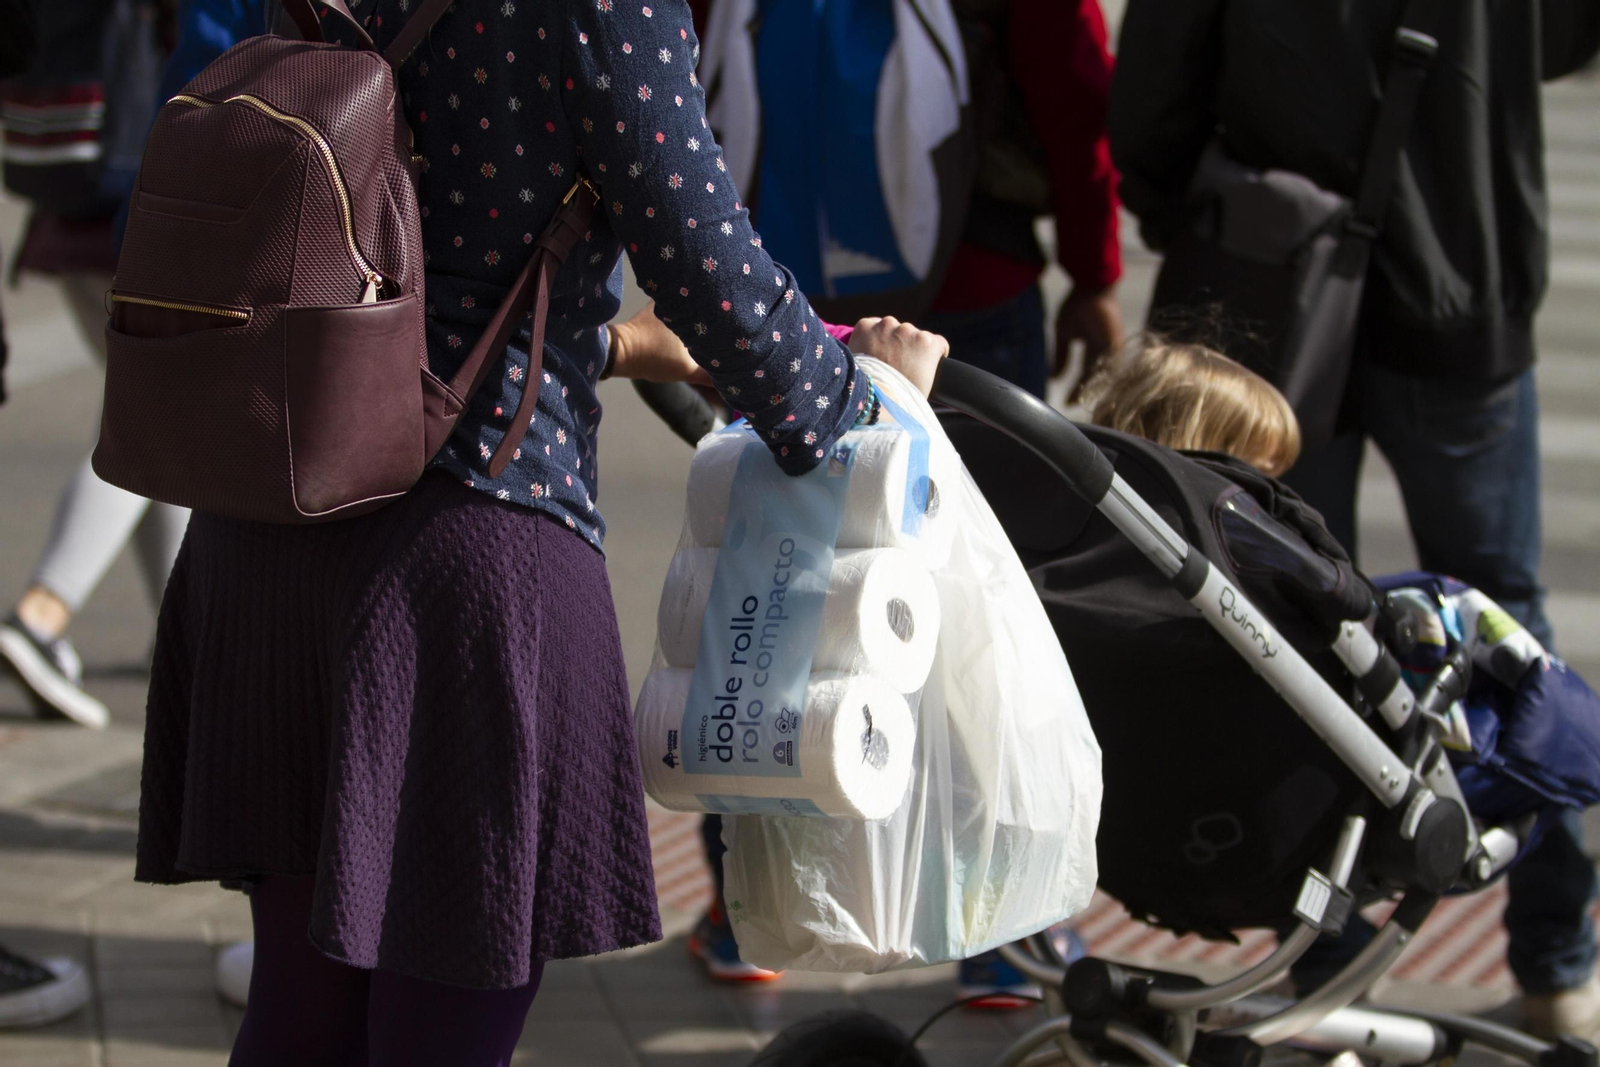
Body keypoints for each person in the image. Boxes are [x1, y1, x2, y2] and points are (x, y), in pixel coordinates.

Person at [129, 3, 950, 1064]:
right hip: (467, 557)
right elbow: (704, 257)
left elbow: (388, 228)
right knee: (443, 1029)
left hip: (269, 523)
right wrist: (866, 395)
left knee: (299, 1011)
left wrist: (603, 342)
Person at [1110, 0, 1600, 1038]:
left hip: (1278, 281)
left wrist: (1182, 210)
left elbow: (1156, 80)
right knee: (1506, 627)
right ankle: (1558, 960)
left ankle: (1323, 963)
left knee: (1284, 627)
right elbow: (1561, 38)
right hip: (1467, 271)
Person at [0, 0, 189, 730]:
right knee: (158, 421)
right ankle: (41, 614)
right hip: (137, 187)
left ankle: (182, 633)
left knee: (157, 422)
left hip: (67, 181)